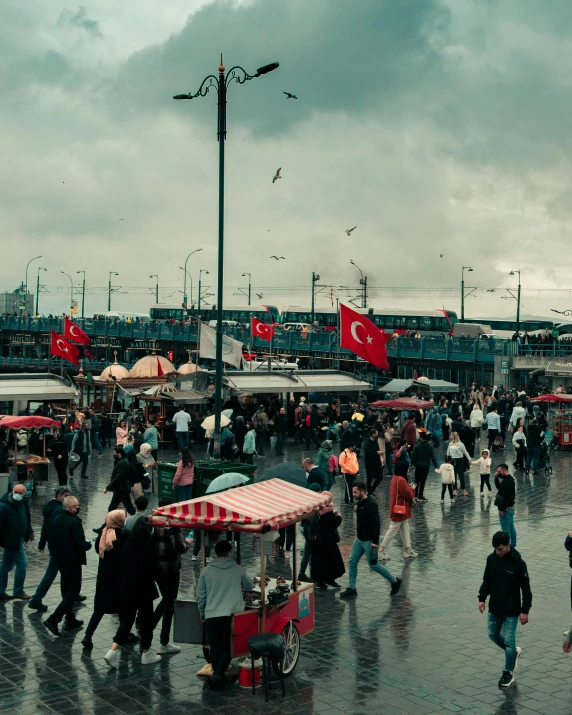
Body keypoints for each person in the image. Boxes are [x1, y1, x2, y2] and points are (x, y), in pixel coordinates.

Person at [104, 518, 162, 668]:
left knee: (127, 619)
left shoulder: (128, 541)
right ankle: (146, 652)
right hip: (143, 588)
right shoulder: (149, 543)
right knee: (146, 620)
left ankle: (112, 650)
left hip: (127, 587)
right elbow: (154, 567)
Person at [196, 540, 253, 690]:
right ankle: (217, 675)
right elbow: (249, 587)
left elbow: (200, 595)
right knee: (229, 645)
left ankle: (217, 674)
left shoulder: (206, 570)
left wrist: (202, 612)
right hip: (231, 615)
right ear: (229, 552)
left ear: (216, 554)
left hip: (211, 615)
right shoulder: (238, 569)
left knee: (215, 646)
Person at [478, 530, 531, 687]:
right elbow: (486, 579)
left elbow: (526, 589)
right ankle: (513, 653)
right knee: (493, 634)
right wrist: (482, 598)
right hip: (495, 607)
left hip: (511, 610)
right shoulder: (491, 559)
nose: (497, 552)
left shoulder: (519, 564)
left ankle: (508, 673)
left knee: (508, 641)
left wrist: (525, 610)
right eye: (496, 549)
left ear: (508, 545)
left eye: (500, 549)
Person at [340, 482, 401, 598]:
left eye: (355, 492)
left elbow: (376, 523)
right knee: (352, 561)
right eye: (353, 492)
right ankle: (352, 588)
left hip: (368, 540)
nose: (353, 494)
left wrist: (375, 542)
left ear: (362, 491)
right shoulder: (360, 502)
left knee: (374, 565)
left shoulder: (371, 504)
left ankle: (395, 581)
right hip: (359, 539)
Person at [43, 496, 91, 637]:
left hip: (60, 561)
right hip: (73, 561)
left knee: (66, 589)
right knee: (74, 591)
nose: (78, 508)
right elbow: (80, 543)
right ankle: (54, 619)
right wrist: (88, 544)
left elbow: (50, 539)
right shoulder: (74, 522)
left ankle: (70, 619)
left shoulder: (56, 519)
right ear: (70, 508)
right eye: (77, 506)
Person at [81, 510, 130, 649]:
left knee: (99, 609)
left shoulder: (103, 533)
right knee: (123, 606)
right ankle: (124, 633)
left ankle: (88, 635)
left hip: (103, 576)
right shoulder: (122, 536)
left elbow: (98, 550)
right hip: (118, 577)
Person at [152, 497, 192, 655]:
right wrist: (188, 543)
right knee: (170, 603)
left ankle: (148, 627)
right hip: (171, 568)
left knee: (167, 599)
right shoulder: (172, 525)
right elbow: (178, 548)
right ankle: (163, 641)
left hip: (157, 568)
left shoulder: (153, 521)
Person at [29, 486, 71, 611]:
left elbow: (45, 527)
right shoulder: (58, 510)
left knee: (67, 571)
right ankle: (36, 599)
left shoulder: (51, 507)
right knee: (52, 572)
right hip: (59, 547)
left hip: (55, 546)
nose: (67, 498)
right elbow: (52, 529)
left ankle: (72, 593)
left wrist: (42, 543)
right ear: (59, 496)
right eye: (66, 495)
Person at [0, 484, 34, 601]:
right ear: (12, 491)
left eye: (21, 493)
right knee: (23, 563)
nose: (18, 495)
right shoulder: (4, 506)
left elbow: (26, 517)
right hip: (11, 540)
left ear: (24, 494)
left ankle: (0, 591)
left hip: (19, 538)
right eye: (16, 492)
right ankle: (18, 591)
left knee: (6, 566)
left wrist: (29, 530)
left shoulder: (24, 502)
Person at [378, 465, 418, 559]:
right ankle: (381, 550)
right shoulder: (401, 480)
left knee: (405, 529)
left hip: (398, 509)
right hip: (400, 510)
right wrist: (412, 489)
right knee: (392, 530)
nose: (408, 471)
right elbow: (407, 494)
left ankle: (407, 550)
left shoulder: (395, 478)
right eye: (407, 469)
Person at [311, 497, 345, 590]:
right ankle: (328, 579)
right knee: (332, 560)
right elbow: (334, 522)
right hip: (328, 541)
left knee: (320, 561)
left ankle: (320, 580)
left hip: (319, 541)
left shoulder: (315, 510)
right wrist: (338, 516)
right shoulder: (327, 511)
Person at [103, 446, 135, 516]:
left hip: (122, 489)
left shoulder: (123, 463)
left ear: (119, 454)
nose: (114, 454)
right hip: (120, 489)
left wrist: (108, 487)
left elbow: (118, 477)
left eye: (115, 453)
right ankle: (108, 523)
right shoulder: (120, 462)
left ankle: (138, 519)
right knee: (112, 508)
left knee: (129, 508)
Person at [410, 431, 437, 501]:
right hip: (426, 466)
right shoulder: (430, 446)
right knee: (423, 481)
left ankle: (415, 495)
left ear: (421, 438)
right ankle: (421, 495)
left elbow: (413, 456)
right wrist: (436, 466)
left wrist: (412, 464)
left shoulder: (416, 446)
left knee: (417, 480)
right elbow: (433, 457)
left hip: (418, 466)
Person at [494, 464, 517, 547]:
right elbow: (500, 489)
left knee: (506, 530)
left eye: (499, 472)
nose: (497, 473)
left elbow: (505, 497)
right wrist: (496, 479)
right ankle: (513, 545)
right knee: (511, 527)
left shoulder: (507, 481)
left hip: (506, 508)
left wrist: (501, 509)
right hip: (510, 507)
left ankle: (508, 546)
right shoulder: (509, 480)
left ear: (504, 470)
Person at [446, 432, 471, 497]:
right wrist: (447, 461)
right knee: (453, 476)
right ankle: (455, 489)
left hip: (460, 460)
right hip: (452, 461)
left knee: (461, 476)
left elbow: (465, 452)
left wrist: (469, 460)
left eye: (451, 435)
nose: (450, 436)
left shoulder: (460, 444)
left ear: (455, 436)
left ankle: (463, 489)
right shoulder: (450, 444)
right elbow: (448, 453)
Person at [363, 428, 384, 495]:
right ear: (373, 434)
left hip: (376, 462)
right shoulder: (367, 442)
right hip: (369, 463)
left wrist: (380, 457)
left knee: (380, 477)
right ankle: (369, 492)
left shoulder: (375, 441)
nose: (377, 435)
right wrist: (377, 453)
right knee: (369, 478)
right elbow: (367, 452)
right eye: (376, 434)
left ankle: (372, 488)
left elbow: (377, 449)